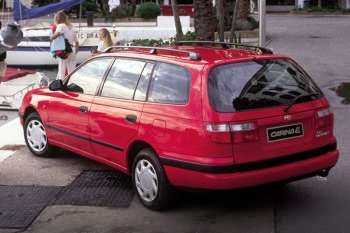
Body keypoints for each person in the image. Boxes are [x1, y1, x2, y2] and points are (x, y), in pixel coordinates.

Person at [50, 11, 79, 80]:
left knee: (62, 69)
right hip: (72, 50)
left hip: (64, 50)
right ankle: (71, 83)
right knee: (71, 70)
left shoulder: (61, 26)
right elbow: (77, 42)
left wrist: (51, 38)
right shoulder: (71, 27)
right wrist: (76, 51)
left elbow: (57, 34)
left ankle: (60, 84)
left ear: (57, 19)